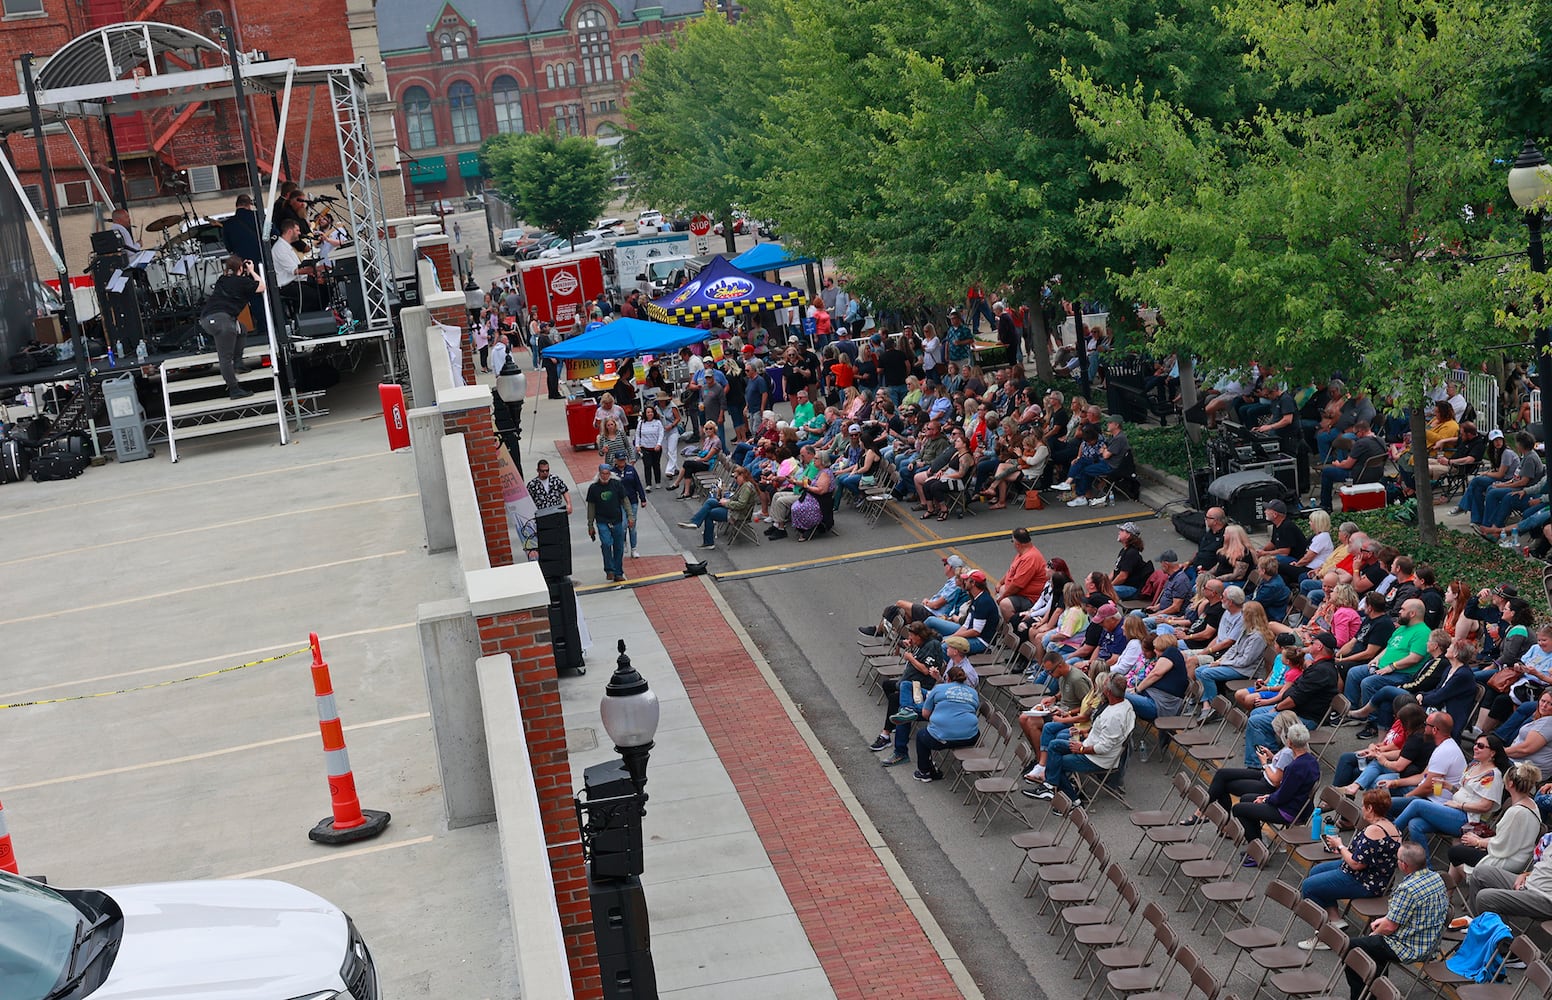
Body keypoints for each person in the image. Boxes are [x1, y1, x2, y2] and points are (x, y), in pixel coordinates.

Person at [1343, 843, 1449, 1000]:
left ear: (1404, 865)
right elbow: (1404, 914)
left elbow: (1389, 927)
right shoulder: (1436, 877)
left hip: (1409, 946)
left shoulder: (1407, 889)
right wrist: (1384, 920)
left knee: (1352, 947)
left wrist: (1375, 934)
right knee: (1372, 949)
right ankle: (1378, 989)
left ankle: (1364, 996)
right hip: (1430, 942)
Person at [1299, 788, 1401, 949]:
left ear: (1370, 808)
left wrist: (1339, 846)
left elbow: (1356, 863)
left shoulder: (1374, 830)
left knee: (1309, 886)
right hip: (1371, 875)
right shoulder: (1391, 827)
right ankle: (1334, 919)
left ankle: (1326, 937)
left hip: (1364, 880)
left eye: (1363, 806)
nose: (1361, 809)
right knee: (1316, 872)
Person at [1029, 672, 1134, 807]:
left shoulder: (1114, 716)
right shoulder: (1125, 704)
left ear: (1108, 691)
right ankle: (1050, 786)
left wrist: (1081, 749)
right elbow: (1103, 732)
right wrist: (1083, 731)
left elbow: (1104, 748)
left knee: (1057, 762)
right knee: (1055, 745)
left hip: (1096, 758)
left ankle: (1073, 800)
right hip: (1089, 744)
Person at [1181, 710, 1305, 825]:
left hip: (1268, 784)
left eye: (1277, 731)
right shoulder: (1290, 749)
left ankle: (1209, 816)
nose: (1276, 734)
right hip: (1265, 775)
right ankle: (1209, 815)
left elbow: (1276, 780)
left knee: (1222, 785)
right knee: (1222, 774)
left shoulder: (1288, 752)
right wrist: (1272, 757)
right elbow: (1281, 767)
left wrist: (1264, 763)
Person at [1242, 631, 1340, 766]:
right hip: (1295, 710)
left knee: (1256, 721)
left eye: (1313, 643)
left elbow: (1295, 699)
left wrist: (1276, 708)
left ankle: (1258, 765)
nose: (1309, 645)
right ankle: (1274, 754)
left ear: (1319, 647)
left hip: (1304, 717)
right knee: (1256, 712)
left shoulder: (1321, 671)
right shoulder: (1318, 666)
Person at [1391, 733, 1507, 844]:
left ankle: (1388, 837)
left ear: (1492, 753)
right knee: (1415, 824)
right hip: (1453, 810)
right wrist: (1448, 786)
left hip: (1469, 819)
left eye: (1480, 746)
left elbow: (1485, 806)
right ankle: (1424, 864)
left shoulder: (1493, 775)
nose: (1475, 747)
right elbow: (1464, 793)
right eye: (1475, 744)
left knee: (1417, 804)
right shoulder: (1474, 765)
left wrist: (1459, 806)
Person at [1230, 723, 1320, 851]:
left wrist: (1266, 799)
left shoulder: (1294, 768)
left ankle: (1257, 851)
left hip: (1288, 811)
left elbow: (1283, 796)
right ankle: (1258, 842)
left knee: (1239, 809)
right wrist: (1268, 796)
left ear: (1290, 743)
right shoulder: (1312, 761)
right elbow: (1286, 791)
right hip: (1298, 805)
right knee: (1246, 798)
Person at [1449, 762, 1541, 873]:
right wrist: (1480, 841)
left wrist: (1478, 842)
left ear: (1510, 784)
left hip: (1508, 860)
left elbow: (1501, 844)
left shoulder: (1516, 812)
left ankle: (1475, 881)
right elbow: (1506, 840)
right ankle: (1450, 889)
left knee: (1455, 852)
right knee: (1461, 850)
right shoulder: (1531, 804)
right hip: (1516, 855)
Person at [873, 623, 944, 759]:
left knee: (895, 700)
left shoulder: (933, 646)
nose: (910, 638)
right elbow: (917, 656)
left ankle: (885, 735)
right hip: (907, 683)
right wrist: (910, 647)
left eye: (912, 636)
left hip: (920, 687)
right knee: (887, 685)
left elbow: (925, 670)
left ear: (920, 635)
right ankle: (895, 721)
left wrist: (910, 658)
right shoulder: (920, 644)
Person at [198, 256, 264, 400]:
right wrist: (252, 271)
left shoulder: (222, 279)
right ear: (241, 268)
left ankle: (239, 363)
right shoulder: (242, 282)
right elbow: (261, 286)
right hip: (222, 321)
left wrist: (241, 271)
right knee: (225, 357)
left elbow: (234, 280)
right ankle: (234, 389)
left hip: (207, 319)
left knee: (242, 329)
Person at [860, 554, 969, 636]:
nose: (944, 566)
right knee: (904, 617)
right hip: (930, 610)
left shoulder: (954, 584)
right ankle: (885, 635)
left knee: (899, 604)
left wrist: (928, 602)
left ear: (950, 567)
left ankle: (880, 631)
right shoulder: (951, 582)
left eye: (945, 564)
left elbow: (937, 605)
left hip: (933, 614)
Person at [910, 661, 980, 783]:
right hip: (970, 737)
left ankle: (924, 772)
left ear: (947, 678)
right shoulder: (973, 692)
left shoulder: (939, 689)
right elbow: (973, 711)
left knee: (921, 735)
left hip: (941, 738)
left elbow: (925, 714)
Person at [680, 464, 756, 550]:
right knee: (710, 501)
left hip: (737, 514)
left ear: (742, 475)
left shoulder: (746, 487)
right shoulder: (744, 485)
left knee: (709, 514)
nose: (735, 480)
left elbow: (741, 504)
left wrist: (726, 503)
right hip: (733, 508)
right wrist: (726, 500)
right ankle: (695, 523)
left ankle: (707, 540)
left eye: (736, 477)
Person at [585, 463, 631, 583]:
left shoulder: (617, 485)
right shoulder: (593, 488)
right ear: (599, 474)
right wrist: (590, 524)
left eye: (607, 474)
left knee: (619, 547)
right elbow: (591, 507)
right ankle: (609, 569)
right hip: (602, 521)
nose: (605, 476)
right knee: (606, 543)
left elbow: (625, 501)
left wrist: (630, 516)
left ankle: (618, 572)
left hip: (617, 520)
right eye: (603, 474)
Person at [610, 451, 647, 559]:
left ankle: (634, 549)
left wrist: (642, 498)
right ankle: (623, 541)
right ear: (616, 460)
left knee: (632, 526)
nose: (622, 462)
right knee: (623, 525)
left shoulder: (631, 469)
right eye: (620, 460)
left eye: (623, 459)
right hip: (619, 503)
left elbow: (638, 484)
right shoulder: (612, 472)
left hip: (632, 501)